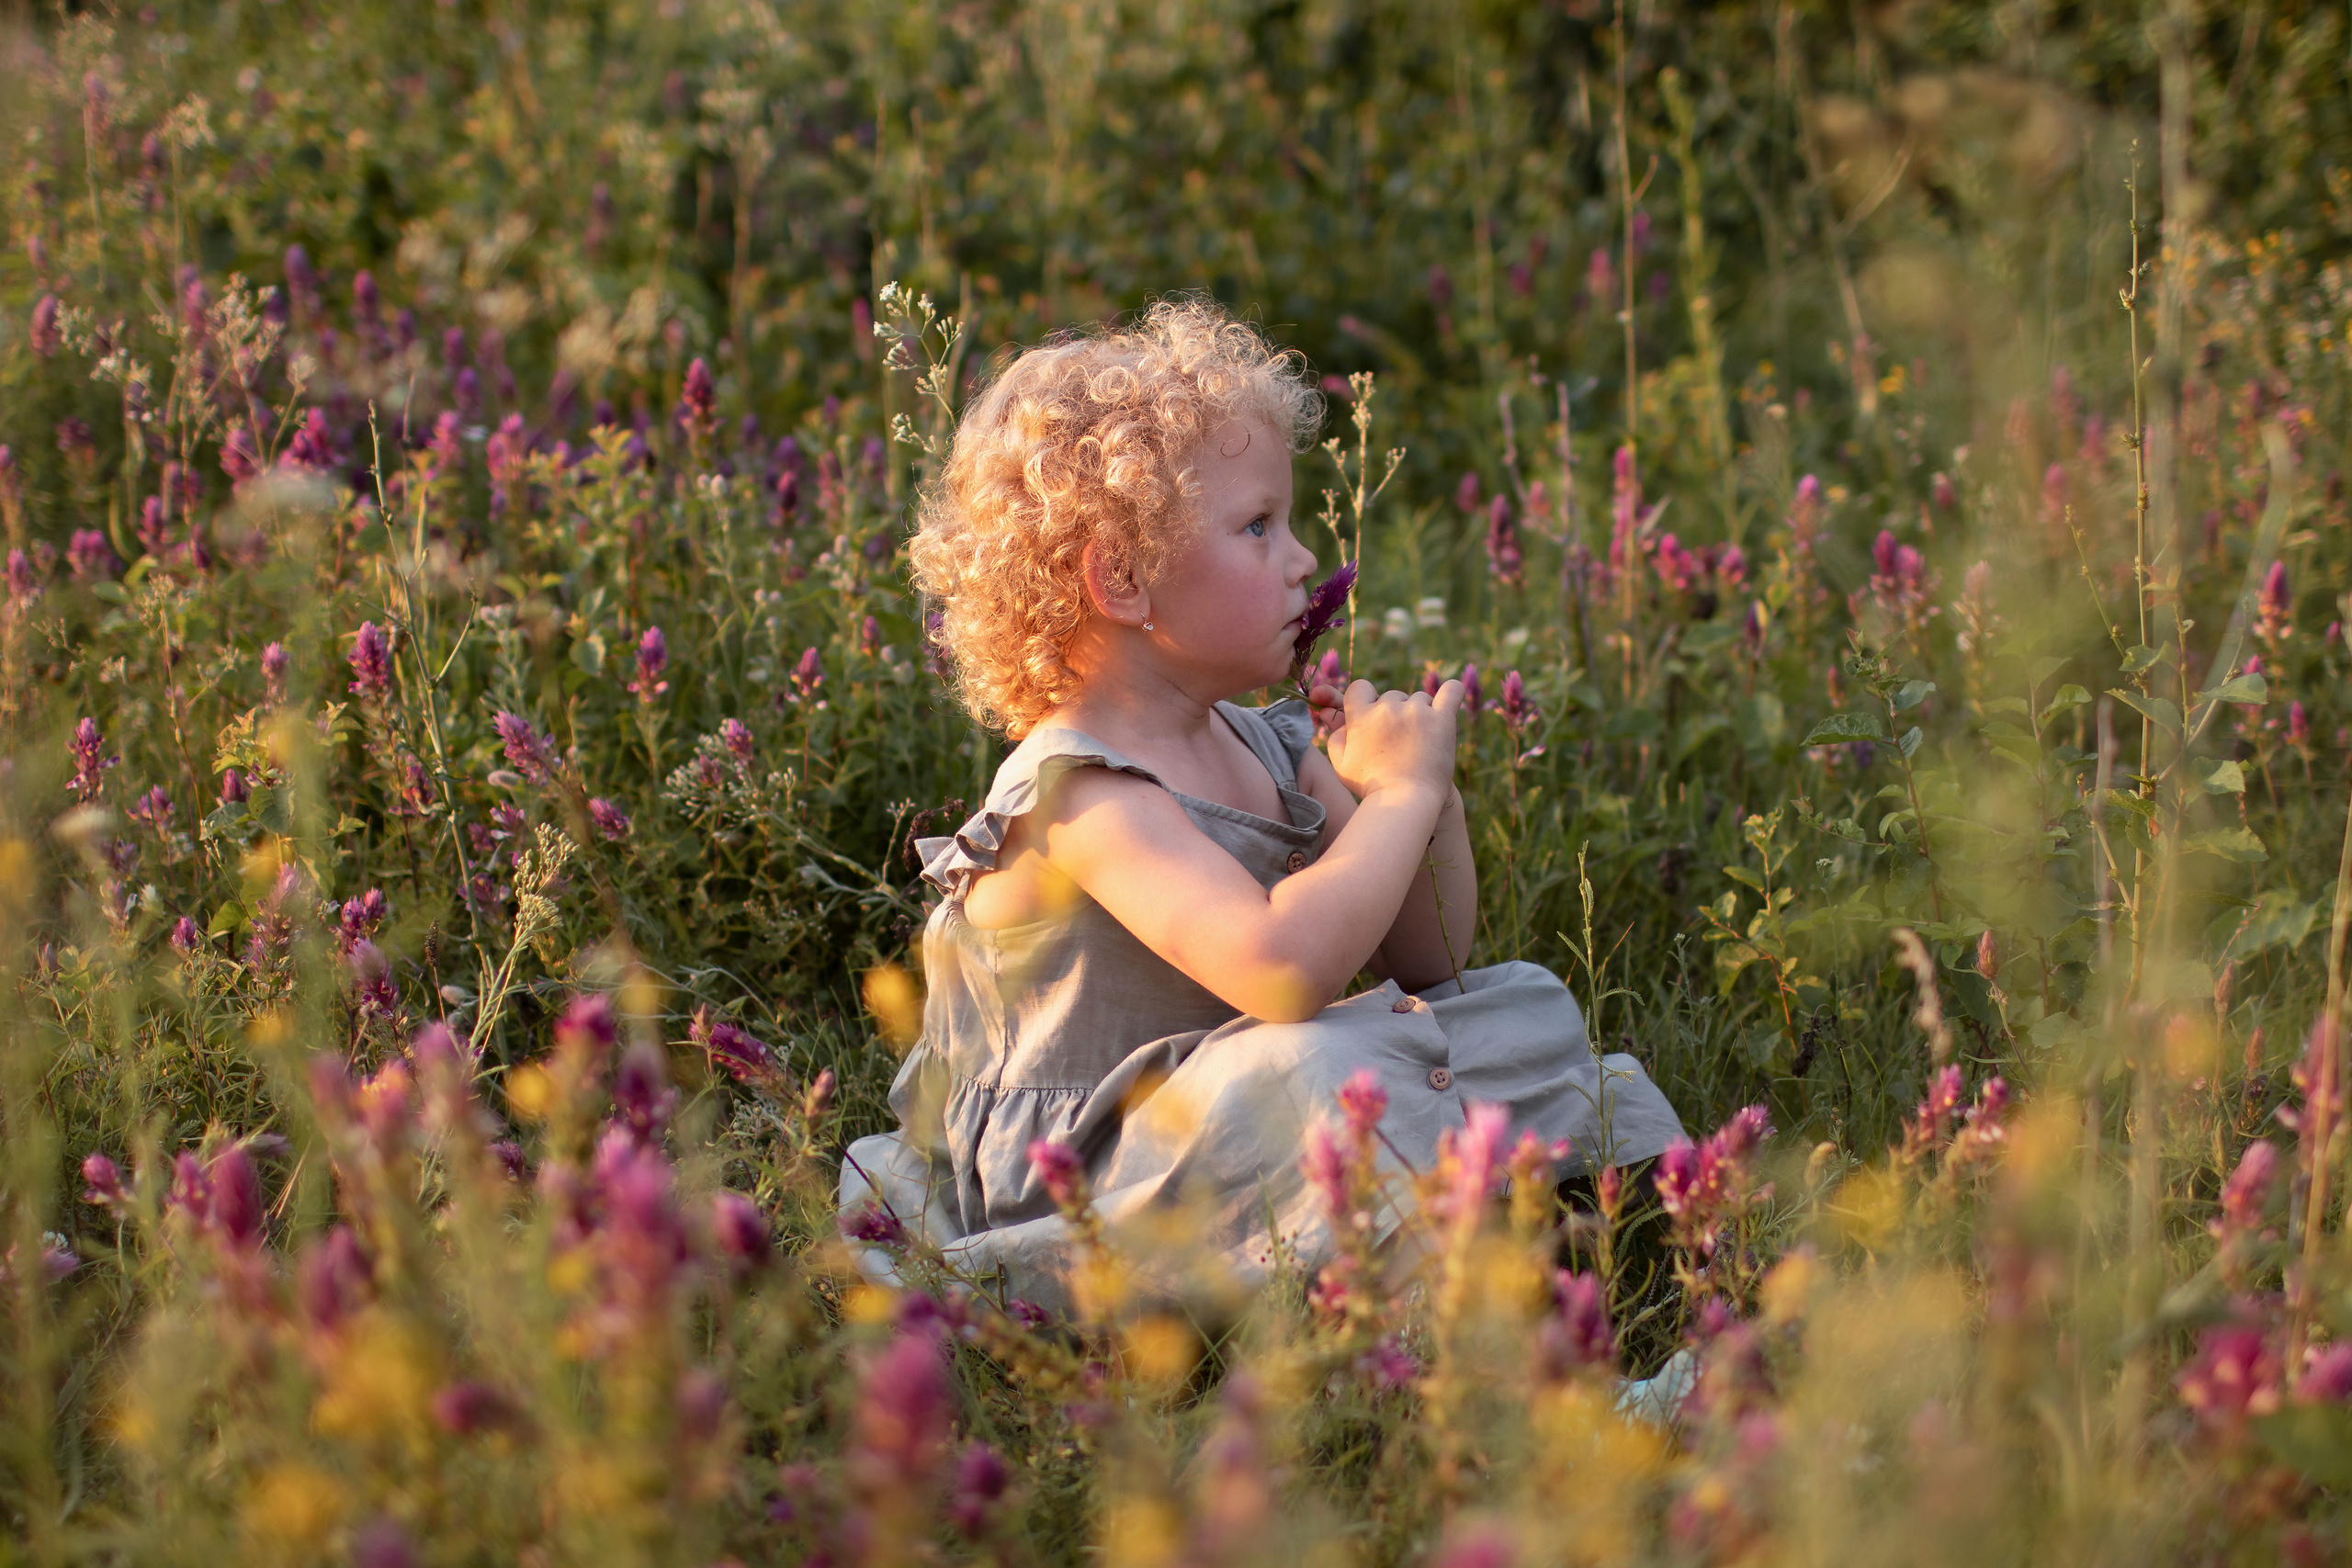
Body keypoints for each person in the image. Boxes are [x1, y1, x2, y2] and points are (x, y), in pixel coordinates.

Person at [841, 299, 1685, 1311]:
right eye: (1257, 526)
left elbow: (1434, 954)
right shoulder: (1080, 793)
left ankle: (1637, 1242)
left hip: (1232, 1109)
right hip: (1085, 1178)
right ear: (1121, 577)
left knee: (1518, 1003)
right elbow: (1281, 973)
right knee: (1322, 1070)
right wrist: (1399, 797)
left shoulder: (1263, 741)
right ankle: (1459, 1344)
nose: (1300, 559)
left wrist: (1412, 800)